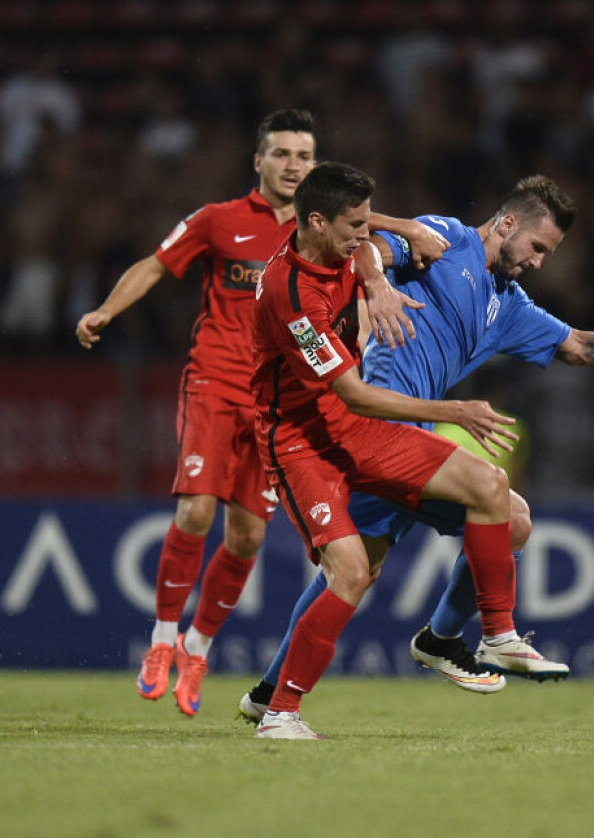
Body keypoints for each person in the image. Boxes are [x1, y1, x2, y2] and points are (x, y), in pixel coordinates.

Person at [240, 174, 594, 718]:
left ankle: (273, 694)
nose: (540, 261)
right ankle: (463, 637)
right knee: (486, 505)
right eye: (538, 247)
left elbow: (578, 345)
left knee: (362, 567)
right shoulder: (446, 240)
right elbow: (370, 246)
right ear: (508, 223)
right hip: (375, 423)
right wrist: (376, 285)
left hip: (399, 432)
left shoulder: (509, 306)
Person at [74, 110, 446, 717]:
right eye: (282, 154)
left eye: (304, 155)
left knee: (246, 536)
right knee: (197, 511)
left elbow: (366, 224)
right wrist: (106, 312)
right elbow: (154, 265)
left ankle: (198, 650)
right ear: (259, 161)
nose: (293, 164)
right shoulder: (218, 221)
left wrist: (402, 236)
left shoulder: (323, 228)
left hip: (283, 408)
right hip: (217, 384)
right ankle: (162, 640)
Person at [250, 161, 544, 740]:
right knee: (352, 572)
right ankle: (279, 711)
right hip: (302, 442)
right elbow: (356, 396)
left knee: (495, 492)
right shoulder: (290, 294)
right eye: (354, 224)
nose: (364, 234)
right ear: (316, 223)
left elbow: (363, 242)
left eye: (366, 221)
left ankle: (494, 634)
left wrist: (400, 236)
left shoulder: (338, 245)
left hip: (356, 429)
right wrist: (453, 411)